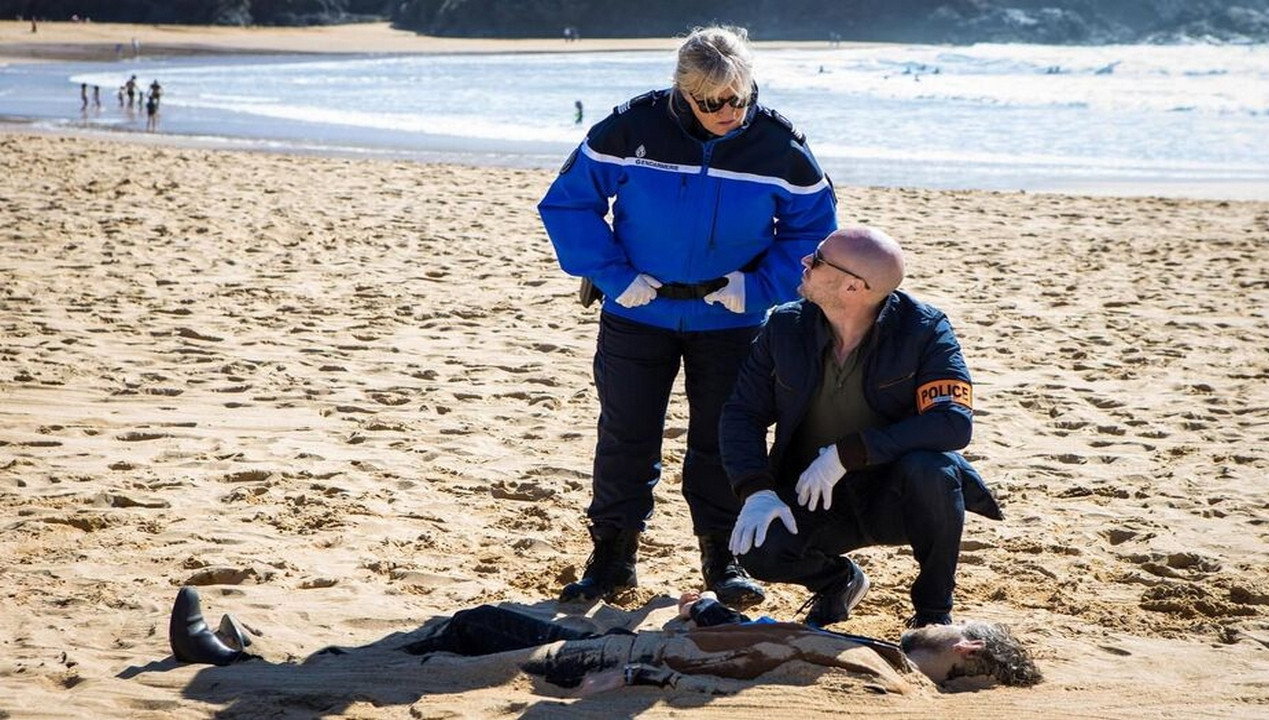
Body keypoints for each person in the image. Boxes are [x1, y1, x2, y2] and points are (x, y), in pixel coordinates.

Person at [538, 26, 837, 610]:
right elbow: (568, 203)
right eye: (711, 102)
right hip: (637, 313)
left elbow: (814, 230)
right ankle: (612, 560)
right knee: (626, 435)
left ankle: (722, 560)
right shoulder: (628, 128)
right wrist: (616, 277)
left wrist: (758, 287)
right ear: (683, 92)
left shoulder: (780, 147)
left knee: (722, 440)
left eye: (739, 98)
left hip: (731, 320)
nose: (729, 112)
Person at [720, 226, 1003, 629]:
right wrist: (756, 490)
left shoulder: (924, 330)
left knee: (935, 470)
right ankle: (839, 581)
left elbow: (952, 423)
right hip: (815, 494)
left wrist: (846, 454)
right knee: (759, 548)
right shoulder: (784, 327)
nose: (805, 262)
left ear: (854, 287)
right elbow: (742, 413)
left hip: (898, 497)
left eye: (817, 259)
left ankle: (933, 613)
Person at [168, 586, 1041, 692]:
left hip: (611, 665)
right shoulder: (877, 670)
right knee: (467, 633)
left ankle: (244, 668)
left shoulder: (873, 664)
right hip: (632, 658)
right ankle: (269, 661)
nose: (933, 619)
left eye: (949, 624)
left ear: (963, 650)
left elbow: (734, 654)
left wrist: (703, 617)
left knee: (471, 629)